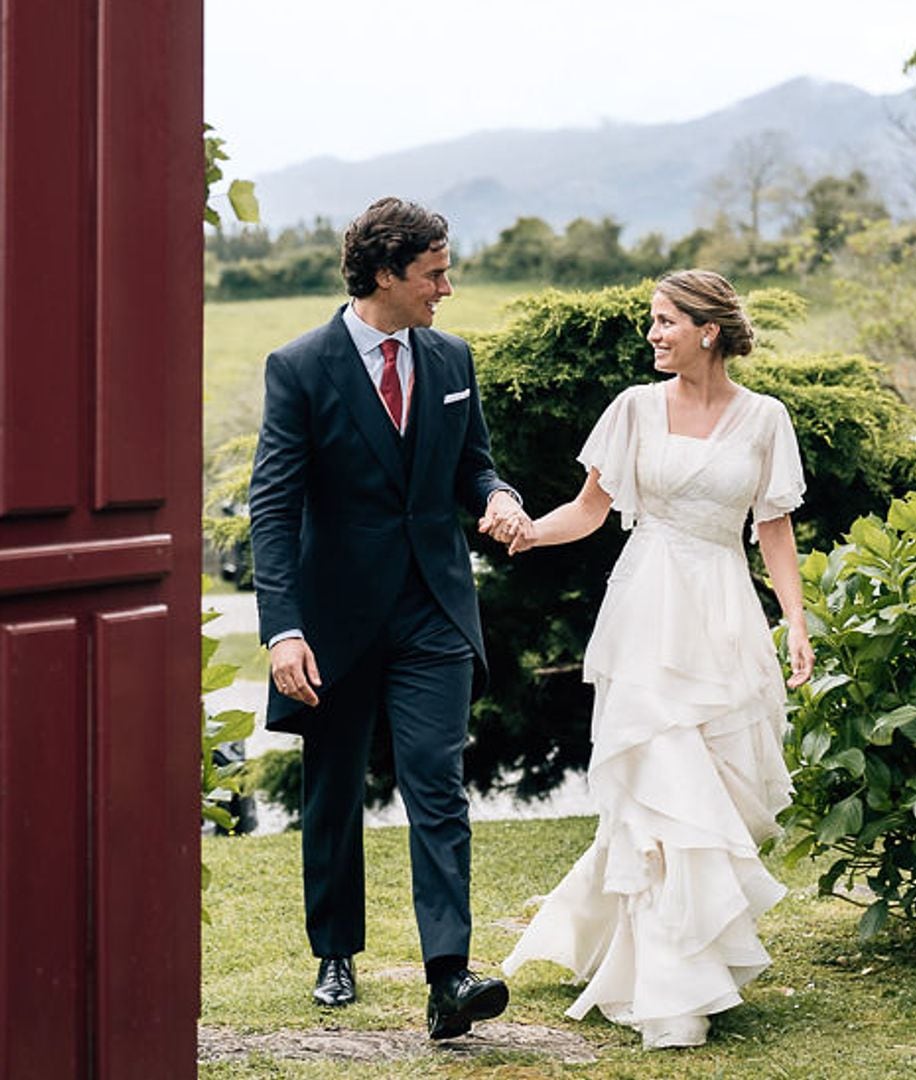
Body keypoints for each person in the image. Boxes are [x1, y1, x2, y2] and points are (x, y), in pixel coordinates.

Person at [493, 269, 815, 1050]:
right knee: (666, 794)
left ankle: (643, 946)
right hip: (646, 614)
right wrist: (530, 531)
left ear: (708, 329)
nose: (653, 334)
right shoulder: (634, 409)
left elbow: (773, 529)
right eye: (651, 321)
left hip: (724, 613)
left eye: (666, 321)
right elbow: (590, 509)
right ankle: (674, 993)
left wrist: (796, 622)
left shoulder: (766, 419)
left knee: (724, 798)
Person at [248, 197, 528, 1038]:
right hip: (333, 620)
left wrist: (500, 497)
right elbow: (273, 505)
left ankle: (450, 978)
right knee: (334, 788)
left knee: (436, 783)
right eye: (434, 273)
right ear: (384, 275)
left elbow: (474, 467)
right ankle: (335, 950)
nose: (449, 287)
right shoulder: (299, 367)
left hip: (435, 609)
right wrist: (282, 627)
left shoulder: (452, 360)